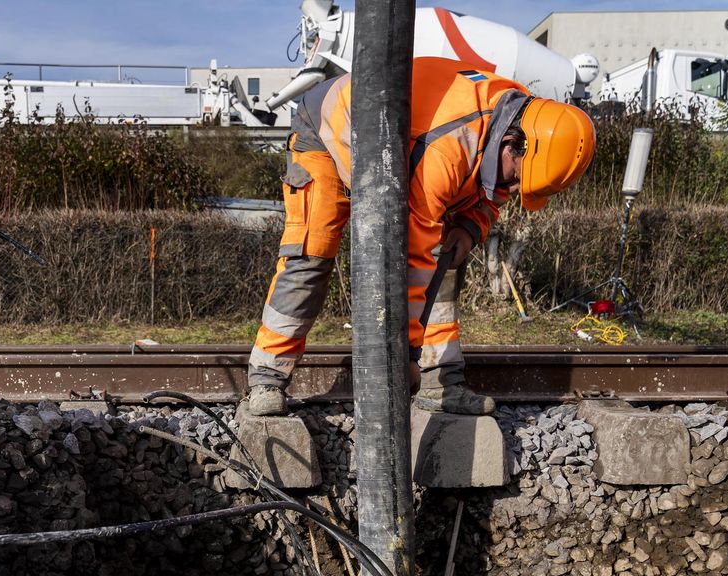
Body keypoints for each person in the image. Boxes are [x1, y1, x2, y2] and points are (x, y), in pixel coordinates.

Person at [247, 57, 596, 416]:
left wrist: (471, 225)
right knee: (311, 255)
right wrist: (406, 356)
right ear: (511, 144)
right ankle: (267, 377)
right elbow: (412, 259)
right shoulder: (447, 150)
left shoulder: (517, 119)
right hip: (327, 128)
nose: (515, 189)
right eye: (517, 178)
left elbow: (494, 189)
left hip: (410, 142)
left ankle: (441, 382)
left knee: (447, 254)